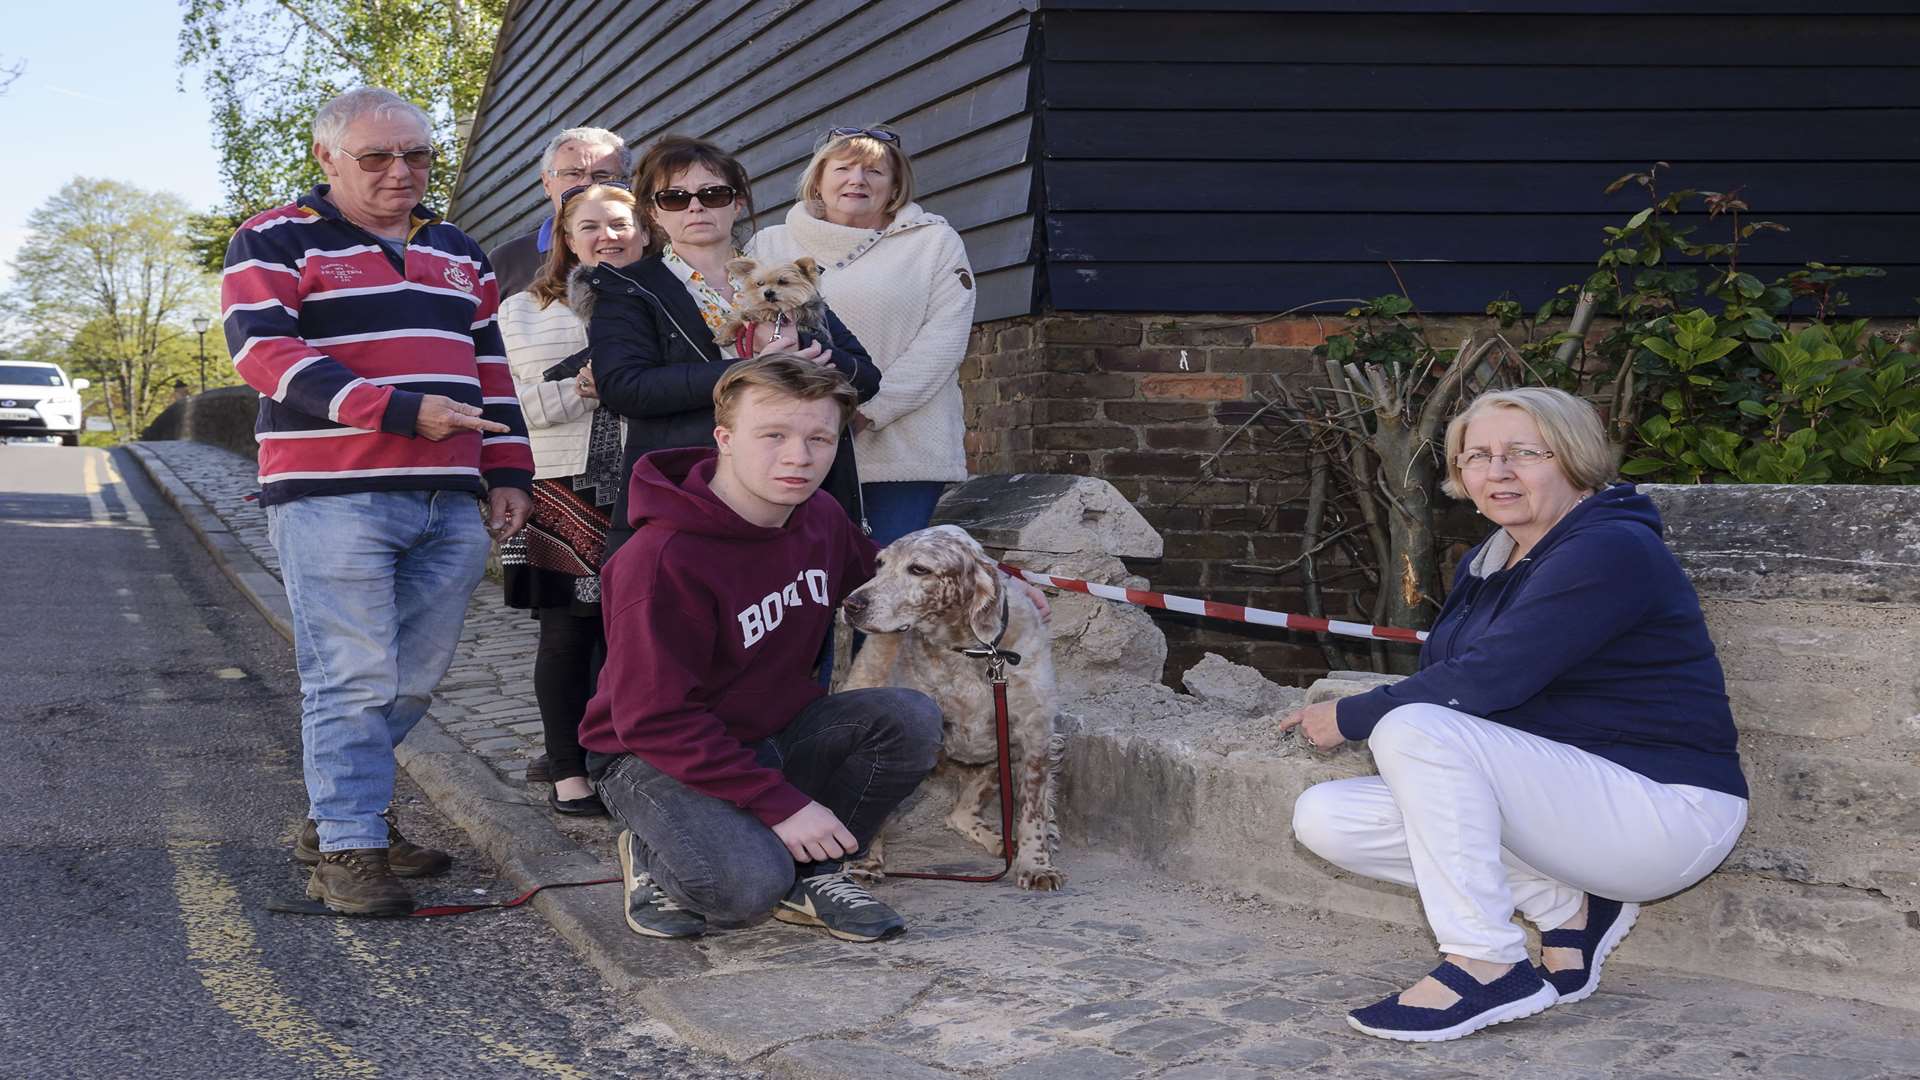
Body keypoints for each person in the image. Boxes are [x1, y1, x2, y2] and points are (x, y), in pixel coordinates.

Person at [1279, 387, 1748, 1042]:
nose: (1497, 472)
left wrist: (1354, 714)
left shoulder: (1610, 548)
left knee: (1411, 725)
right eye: (1477, 456)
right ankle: (1569, 910)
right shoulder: (1490, 560)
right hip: (1572, 807)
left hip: (1665, 811)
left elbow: (1489, 678)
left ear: (1573, 458)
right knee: (1326, 818)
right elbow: (1453, 686)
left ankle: (1486, 962)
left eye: (1523, 453)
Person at [222, 86, 534, 916]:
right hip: (333, 496)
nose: (403, 171)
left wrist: (508, 472)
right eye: (377, 157)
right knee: (354, 676)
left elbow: (490, 371)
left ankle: (337, 815)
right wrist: (398, 411)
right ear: (326, 158)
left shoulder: (460, 250)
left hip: (450, 499)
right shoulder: (272, 238)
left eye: (418, 154)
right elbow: (263, 355)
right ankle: (353, 849)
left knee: (411, 681)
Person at [578, 354, 941, 944]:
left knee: (908, 719)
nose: (799, 457)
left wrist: (996, 586)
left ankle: (814, 870)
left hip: (769, 731)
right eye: (773, 435)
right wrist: (779, 804)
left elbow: (884, 579)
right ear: (724, 438)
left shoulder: (819, 516)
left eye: (819, 438)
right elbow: (653, 719)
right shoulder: (660, 560)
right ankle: (650, 847)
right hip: (650, 753)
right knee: (743, 890)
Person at [581, 135, 881, 564]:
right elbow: (625, 387)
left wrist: (803, 348)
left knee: (800, 625)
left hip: (796, 499)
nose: (696, 207)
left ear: (736, 204)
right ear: (652, 212)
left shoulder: (778, 278)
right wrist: (753, 369)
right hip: (689, 496)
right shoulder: (630, 289)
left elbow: (867, 377)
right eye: (675, 197)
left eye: (713, 193)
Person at [748, 126, 974, 547]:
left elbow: (943, 341)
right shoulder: (770, 243)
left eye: (874, 171)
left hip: (900, 452)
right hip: (791, 447)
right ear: (818, 179)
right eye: (844, 168)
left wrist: (867, 413)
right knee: (799, 582)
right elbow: (747, 327)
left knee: (882, 583)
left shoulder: (934, 243)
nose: (857, 179)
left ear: (894, 187)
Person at [497, 182, 641, 816]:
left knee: (637, 634)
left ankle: (626, 760)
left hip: (649, 479)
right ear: (564, 235)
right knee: (566, 636)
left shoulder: (672, 297)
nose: (607, 235)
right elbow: (510, 404)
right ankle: (567, 771)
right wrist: (585, 389)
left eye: (620, 223)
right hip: (562, 483)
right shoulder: (524, 310)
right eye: (590, 225)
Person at [489, 127, 632, 301]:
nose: (587, 185)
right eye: (573, 174)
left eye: (602, 175)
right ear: (547, 183)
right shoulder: (506, 261)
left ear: (626, 182)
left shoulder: (649, 253)